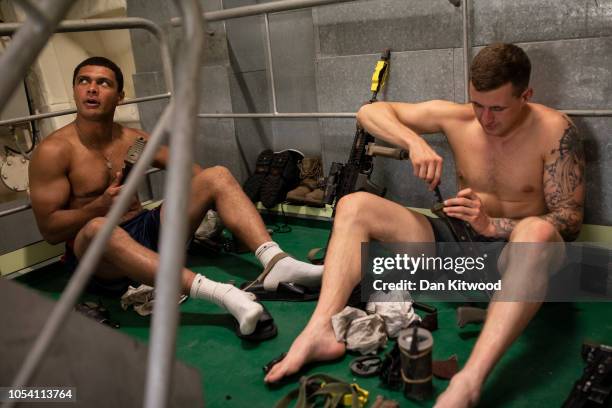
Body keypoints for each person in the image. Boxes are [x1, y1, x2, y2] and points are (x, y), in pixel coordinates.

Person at [263, 43, 585, 407]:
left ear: (525, 95)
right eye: (477, 104)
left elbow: (569, 221)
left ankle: (469, 381)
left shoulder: (555, 130)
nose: (485, 118)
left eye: (497, 108)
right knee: (355, 206)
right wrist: (413, 141)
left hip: (518, 255)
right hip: (457, 246)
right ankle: (321, 328)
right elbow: (369, 113)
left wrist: (494, 225)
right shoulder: (459, 118)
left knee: (536, 232)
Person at [28, 56, 322, 337]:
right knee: (98, 227)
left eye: (103, 83)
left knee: (216, 176)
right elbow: (50, 231)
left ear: (120, 96)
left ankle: (275, 262)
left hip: (143, 228)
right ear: (75, 90)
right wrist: (100, 206)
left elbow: (188, 170)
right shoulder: (55, 151)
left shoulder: (132, 140)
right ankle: (222, 294)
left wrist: (221, 214)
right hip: (99, 254)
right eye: (84, 81)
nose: (92, 89)